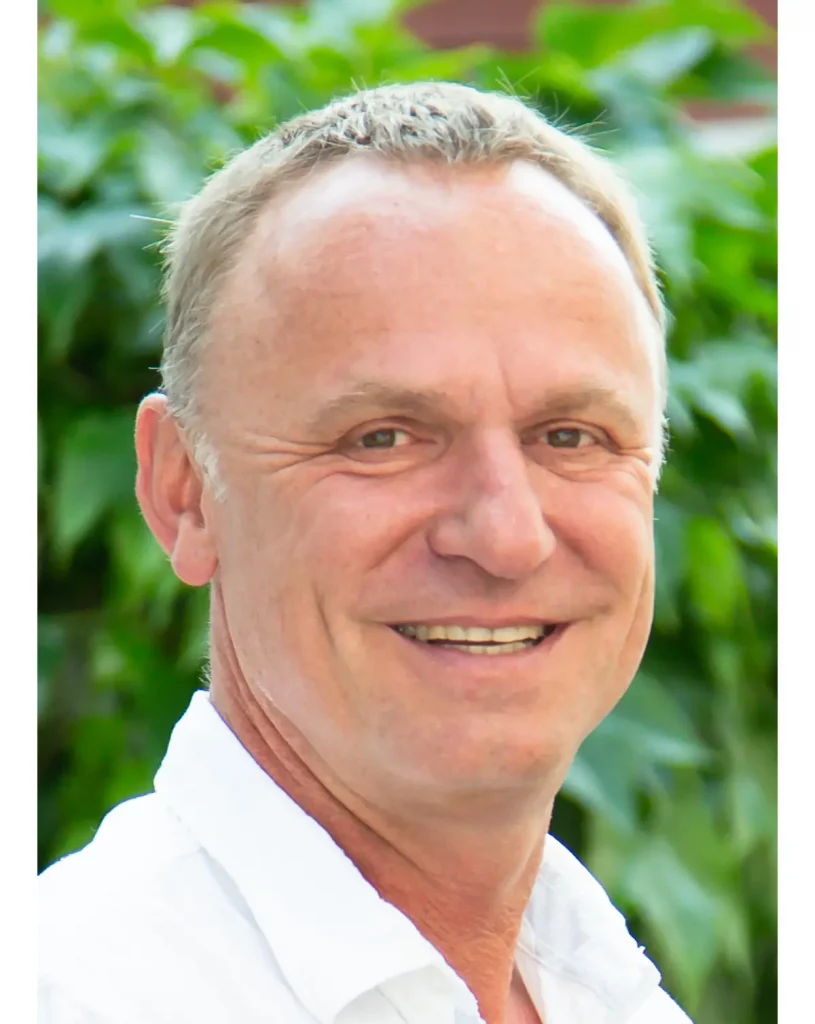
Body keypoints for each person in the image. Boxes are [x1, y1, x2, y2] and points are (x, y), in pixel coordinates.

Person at [39, 82, 691, 1024]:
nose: (507, 537)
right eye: (382, 438)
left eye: (570, 437)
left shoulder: (612, 996)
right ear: (183, 493)